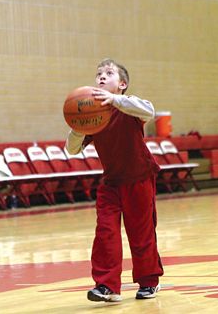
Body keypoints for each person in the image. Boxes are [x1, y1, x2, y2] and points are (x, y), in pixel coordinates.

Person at [65, 58, 164, 302]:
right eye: (98, 73)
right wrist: (77, 128)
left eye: (108, 73)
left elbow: (150, 111)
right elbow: (72, 149)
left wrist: (117, 101)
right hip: (111, 182)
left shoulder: (129, 106)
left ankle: (149, 282)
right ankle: (107, 286)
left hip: (139, 177)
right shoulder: (93, 116)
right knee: (105, 232)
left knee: (141, 233)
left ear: (122, 84)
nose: (101, 76)